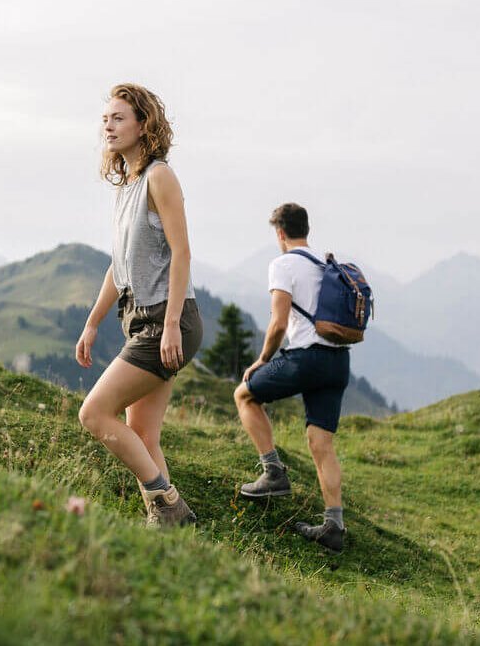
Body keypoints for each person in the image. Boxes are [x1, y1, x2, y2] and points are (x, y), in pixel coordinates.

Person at [74, 83, 205, 527]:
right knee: (144, 433)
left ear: (143, 124)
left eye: (118, 118)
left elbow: (182, 252)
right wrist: (92, 323)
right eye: (105, 119)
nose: (108, 126)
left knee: (93, 413)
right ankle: (174, 525)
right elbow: (119, 266)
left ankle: (166, 505)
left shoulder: (159, 177)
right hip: (141, 320)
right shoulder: (125, 187)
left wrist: (170, 325)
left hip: (167, 321)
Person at [234, 203, 352, 552]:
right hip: (338, 361)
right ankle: (334, 525)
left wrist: (261, 360)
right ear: (307, 230)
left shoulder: (283, 264)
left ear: (280, 233)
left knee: (245, 395)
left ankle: (273, 473)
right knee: (321, 444)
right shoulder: (327, 262)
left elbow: (279, 322)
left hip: (306, 358)